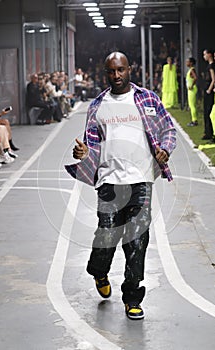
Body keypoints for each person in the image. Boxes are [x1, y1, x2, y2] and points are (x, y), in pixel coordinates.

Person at [65, 52, 176, 320]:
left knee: (137, 240)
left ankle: (132, 297)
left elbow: (168, 130)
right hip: (109, 182)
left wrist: (165, 149)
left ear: (130, 69)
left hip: (141, 180)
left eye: (121, 70)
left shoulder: (148, 98)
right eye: (111, 72)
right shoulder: (98, 105)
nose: (116, 76)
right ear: (105, 73)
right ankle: (99, 270)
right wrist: (83, 154)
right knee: (107, 236)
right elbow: (90, 145)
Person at [202, 49, 215, 140]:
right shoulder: (210, 66)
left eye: (205, 54)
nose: (204, 56)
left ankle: (209, 132)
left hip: (209, 90)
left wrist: (209, 89)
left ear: (209, 55)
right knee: (207, 112)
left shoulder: (211, 66)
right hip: (208, 89)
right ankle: (208, 131)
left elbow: (213, 79)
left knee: (208, 111)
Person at [186, 57, 198, 126]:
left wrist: (192, 85)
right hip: (190, 89)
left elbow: (195, 77)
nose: (186, 63)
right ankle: (193, 119)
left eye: (188, 61)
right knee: (191, 105)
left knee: (192, 105)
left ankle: (194, 120)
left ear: (191, 63)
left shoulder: (192, 70)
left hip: (192, 89)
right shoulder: (190, 70)